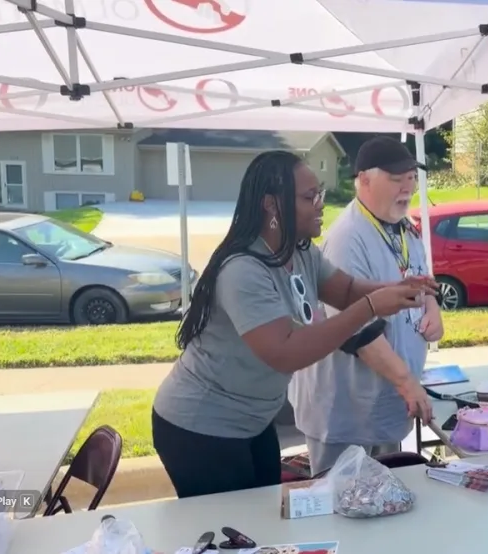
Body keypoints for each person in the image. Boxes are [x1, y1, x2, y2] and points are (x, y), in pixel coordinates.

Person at [151, 150, 435, 499]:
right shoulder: (244, 270)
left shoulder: (299, 251)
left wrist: (396, 289)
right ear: (272, 205)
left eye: (321, 194)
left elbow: (345, 289)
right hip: (200, 426)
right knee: (235, 530)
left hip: (253, 421)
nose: (319, 205)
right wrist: (372, 305)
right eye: (308, 197)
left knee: (267, 518)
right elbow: (285, 352)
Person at [289, 136, 442, 476]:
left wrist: (432, 307)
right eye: (396, 178)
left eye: (411, 178)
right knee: (343, 505)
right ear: (364, 180)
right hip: (346, 410)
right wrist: (406, 382)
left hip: (386, 404)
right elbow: (356, 330)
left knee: (383, 503)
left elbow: (419, 279)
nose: (407, 187)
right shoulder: (348, 238)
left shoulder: (403, 227)